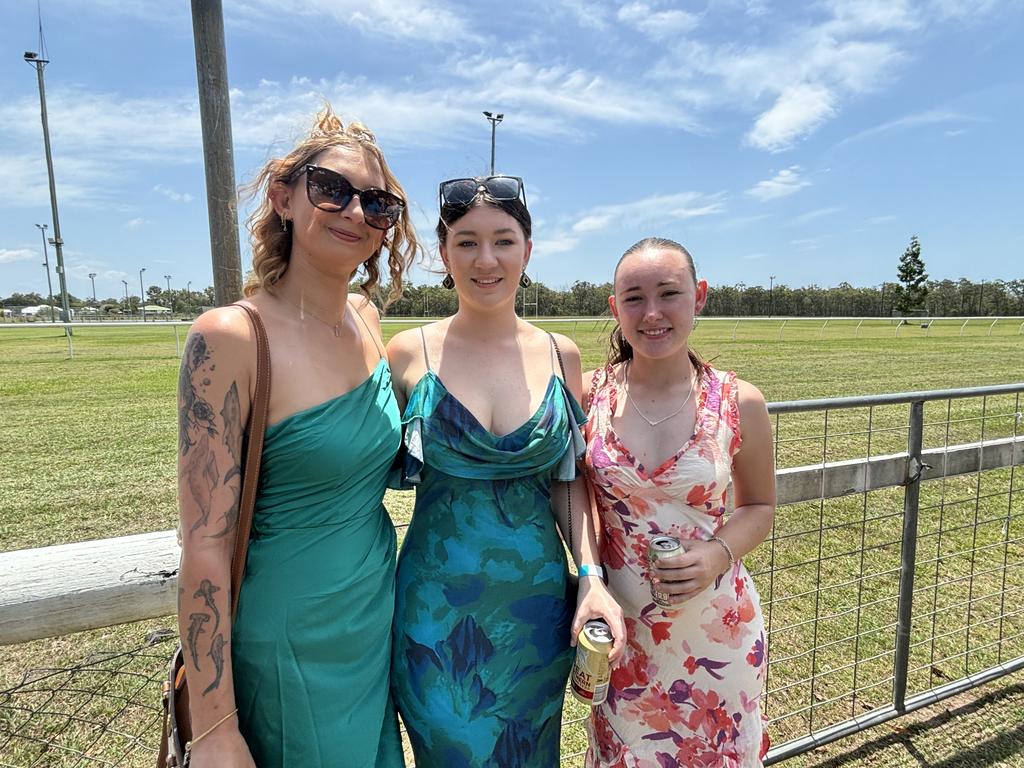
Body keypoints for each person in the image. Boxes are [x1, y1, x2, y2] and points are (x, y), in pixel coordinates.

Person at [175, 105, 419, 768]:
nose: (354, 212)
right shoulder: (229, 337)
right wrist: (216, 726)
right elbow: (203, 545)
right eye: (330, 189)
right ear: (283, 197)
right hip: (289, 641)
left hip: (373, 624)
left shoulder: (369, 322)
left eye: (377, 202)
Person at [387, 175, 626, 767]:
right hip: (434, 616)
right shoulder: (405, 352)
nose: (485, 259)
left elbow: (568, 480)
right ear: (443, 254)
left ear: (528, 250)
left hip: (534, 614)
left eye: (503, 240)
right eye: (465, 242)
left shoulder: (559, 353)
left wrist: (591, 576)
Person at [583, 237, 775, 767]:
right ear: (613, 307)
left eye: (669, 293)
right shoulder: (586, 396)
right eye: (633, 298)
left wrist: (716, 555)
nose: (652, 313)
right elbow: (568, 495)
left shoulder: (739, 402)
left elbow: (759, 505)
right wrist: (588, 579)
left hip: (718, 631)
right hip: (622, 635)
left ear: (700, 296)